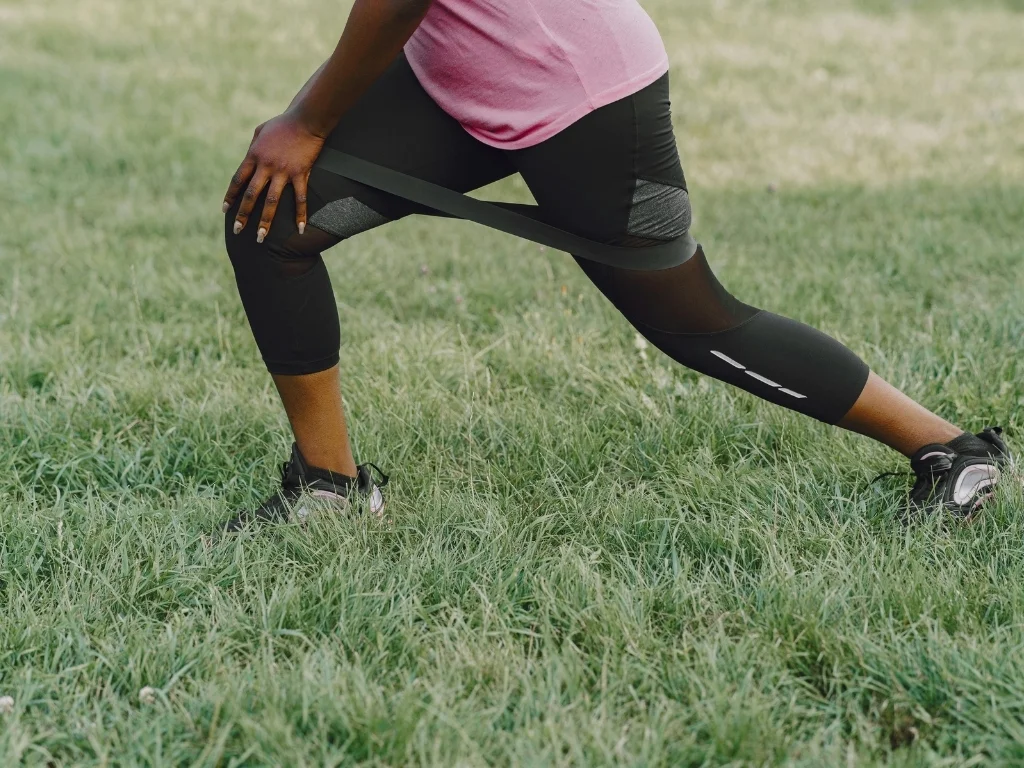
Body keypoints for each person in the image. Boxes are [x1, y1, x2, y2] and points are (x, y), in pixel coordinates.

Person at [219, 0, 1011, 531]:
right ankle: (329, 487)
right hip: (462, 72)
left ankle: (954, 452)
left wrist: (308, 119)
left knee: (690, 319)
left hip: (578, 91)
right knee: (270, 219)